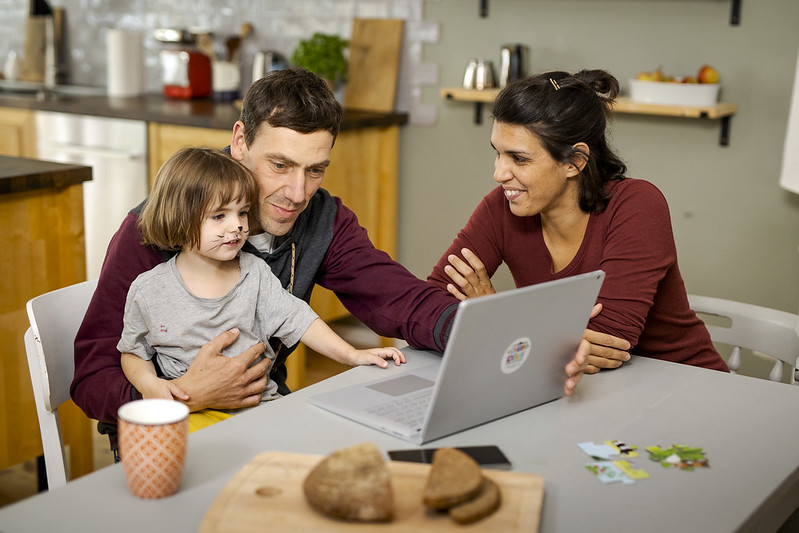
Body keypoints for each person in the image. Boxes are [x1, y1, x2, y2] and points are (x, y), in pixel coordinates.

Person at [71, 68, 594, 453]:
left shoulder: (322, 219)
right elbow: (91, 373)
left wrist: (503, 337)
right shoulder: (156, 228)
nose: (295, 193)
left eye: (315, 170)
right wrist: (182, 397)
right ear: (239, 141)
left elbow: (400, 298)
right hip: (166, 439)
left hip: (259, 423)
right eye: (279, 165)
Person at [428, 70, 728, 373]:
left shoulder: (638, 205)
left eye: (518, 159)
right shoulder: (502, 206)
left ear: (575, 161)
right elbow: (433, 304)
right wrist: (553, 336)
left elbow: (608, 341)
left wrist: (493, 317)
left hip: (685, 384)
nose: (499, 174)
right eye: (498, 154)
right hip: (580, 391)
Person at [118, 147, 405, 431]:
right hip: (187, 418)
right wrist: (152, 388)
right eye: (219, 216)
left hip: (261, 409)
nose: (237, 227)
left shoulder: (254, 273)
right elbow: (133, 352)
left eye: (242, 213)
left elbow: (300, 320)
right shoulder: (148, 290)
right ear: (180, 217)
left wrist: (352, 355)